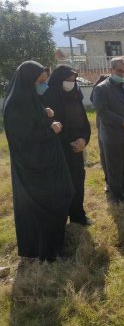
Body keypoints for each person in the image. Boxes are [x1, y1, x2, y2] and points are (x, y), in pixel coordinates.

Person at [3, 61, 74, 261]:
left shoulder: (30, 99)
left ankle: (55, 244)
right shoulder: (16, 104)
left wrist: (44, 113)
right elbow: (23, 138)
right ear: (28, 81)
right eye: (40, 81)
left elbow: (31, 121)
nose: (44, 85)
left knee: (61, 196)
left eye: (45, 81)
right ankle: (47, 251)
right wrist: (50, 129)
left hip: (46, 162)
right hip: (34, 167)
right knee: (45, 206)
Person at [43, 65, 92, 226]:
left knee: (78, 182)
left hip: (77, 147)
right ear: (58, 79)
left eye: (74, 80)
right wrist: (67, 141)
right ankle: (59, 220)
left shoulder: (76, 94)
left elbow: (84, 122)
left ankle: (78, 215)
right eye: (68, 79)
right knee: (61, 185)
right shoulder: (48, 97)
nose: (72, 83)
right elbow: (50, 125)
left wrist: (84, 140)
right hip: (58, 148)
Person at [92, 57, 124, 203]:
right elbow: (102, 112)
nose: (123, 73)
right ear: (111, 70)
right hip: (112, 135)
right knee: (114, 167)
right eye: (119, 70)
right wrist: (122, 122)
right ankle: (116, 196)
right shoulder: (101, 88)